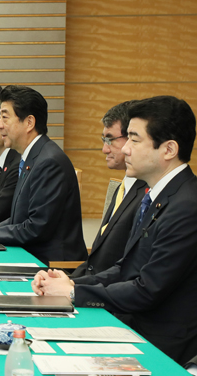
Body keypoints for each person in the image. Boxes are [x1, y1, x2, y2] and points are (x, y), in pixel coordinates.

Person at [32, 96, 197, 365]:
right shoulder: (155, 195)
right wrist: (70, 283)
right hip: (132, 325)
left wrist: (74, 293)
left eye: (134, 139)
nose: (126, 150)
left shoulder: (187, 206)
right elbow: (125, 268)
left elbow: (147, 290)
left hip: (161, 346)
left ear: (168, 149)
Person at [0, 85, 87, 265]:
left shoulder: (49, 162)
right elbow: (22, 217)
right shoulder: (32, 156)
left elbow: (37, 227)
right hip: (31, 254)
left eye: (4, 117)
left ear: (29, 123)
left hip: (52, 265)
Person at [70, 101, 146, 278]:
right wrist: (68, 280)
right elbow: (96, 262)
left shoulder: (148, 196)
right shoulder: (122, 187)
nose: (104, 149)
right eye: (104, 140)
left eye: (110, 140)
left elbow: (128, 270)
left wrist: (75, 287)